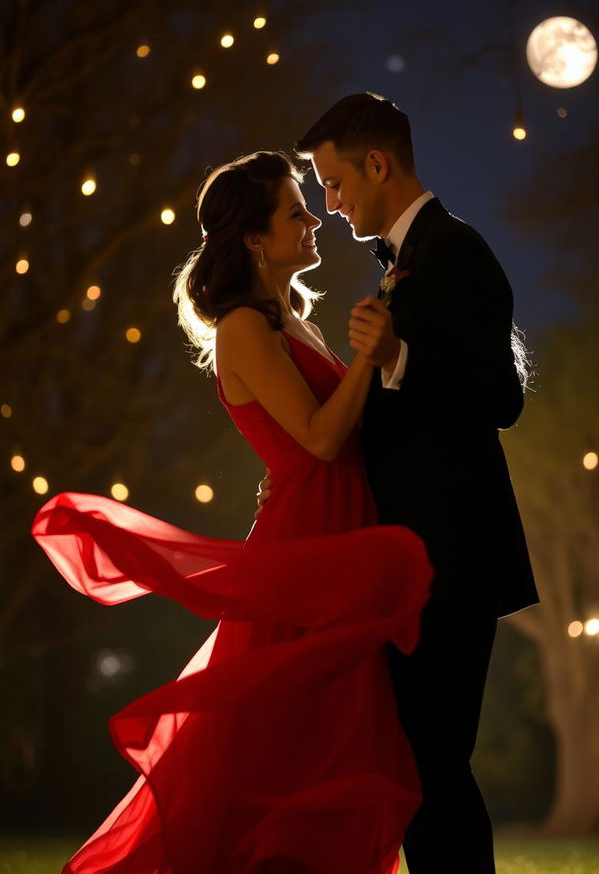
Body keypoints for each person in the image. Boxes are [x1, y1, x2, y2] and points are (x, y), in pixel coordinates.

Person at [31, 149, 432, 874]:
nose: (313, 220)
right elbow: (317, 439)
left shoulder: (293, 318)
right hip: (306, 547)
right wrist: (369, 358)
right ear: (253, 237)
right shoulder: (244, 327)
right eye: (293, 212)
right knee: (283, 752)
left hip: (334, 536)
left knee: (334, 736)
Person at [259, 93, 540, 874]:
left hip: (451, 563)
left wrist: (398, 361)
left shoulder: (459, 251)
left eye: (336, 184)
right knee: (419, 769)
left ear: (377, 164)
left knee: (433, 769)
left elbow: (501, 397)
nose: (333, 204)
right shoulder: (404, 265)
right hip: (411, 568)